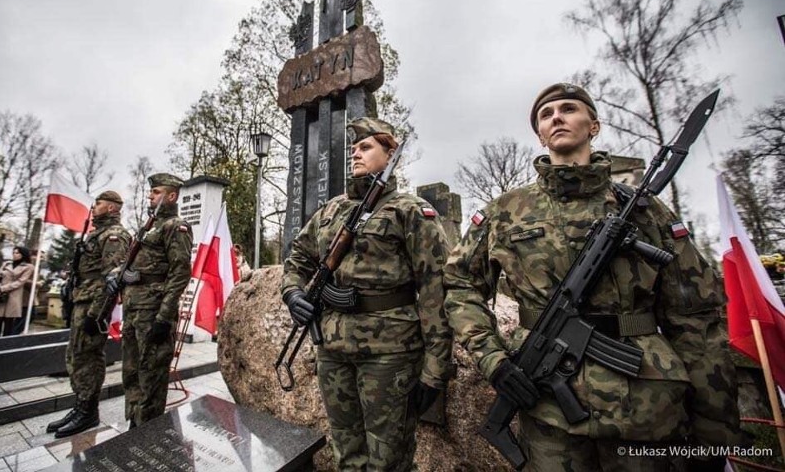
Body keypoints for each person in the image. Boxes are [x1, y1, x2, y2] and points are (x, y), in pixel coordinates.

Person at [443, 83, 743, 471]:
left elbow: (695, 314)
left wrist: (714, 428)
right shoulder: (506, 211)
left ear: (593, 125)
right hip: (547, 408)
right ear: (540, 135)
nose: (556, 118)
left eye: (568, 108)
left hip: (645, 403)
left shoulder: (644, 210)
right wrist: (493, 360)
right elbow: (460, 284)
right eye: (546, 115)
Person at [282, 117, 453, 471]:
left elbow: (437, 289)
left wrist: (435, 369)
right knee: (346, 451)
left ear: (391, 154)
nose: (355, 154)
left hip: (390, 354)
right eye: (353, 149)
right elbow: (298, 259)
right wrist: (292, 294)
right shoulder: (331, 211)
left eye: (365, 147)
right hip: (332, 350)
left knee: (388, 458)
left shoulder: (410, 211)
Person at [47, 191, 131, 438]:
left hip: (93, 306)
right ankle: (80, 406)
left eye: (99, 203)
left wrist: (97, 315)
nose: (94, 207)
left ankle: (88, 411)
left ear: (113, 208)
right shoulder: (95, 233)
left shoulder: (114, 236)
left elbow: (112, 279)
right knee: (76, 355)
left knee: (88, 357)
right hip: (81, 301)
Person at [121, 173, 192, 427]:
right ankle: (134, 421)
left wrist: (164, 315)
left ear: (171, 196)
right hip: (135, 310)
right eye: (151, 192)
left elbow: (181, 272)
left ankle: (148, 429)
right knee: (131, 371)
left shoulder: (176, 226)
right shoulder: (149, 226)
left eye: (156, 192)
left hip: (153, 312)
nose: (150, 196)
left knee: (151, 371)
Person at [0, 246, 34, 337]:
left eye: (17, 253)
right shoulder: (7, 264)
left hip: (13, 295)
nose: (14, 255)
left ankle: (5, 343)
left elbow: (20, 282)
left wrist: (3, 288)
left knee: (9, 322)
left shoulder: (29, 267)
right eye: (13, 252)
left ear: (23, 255)